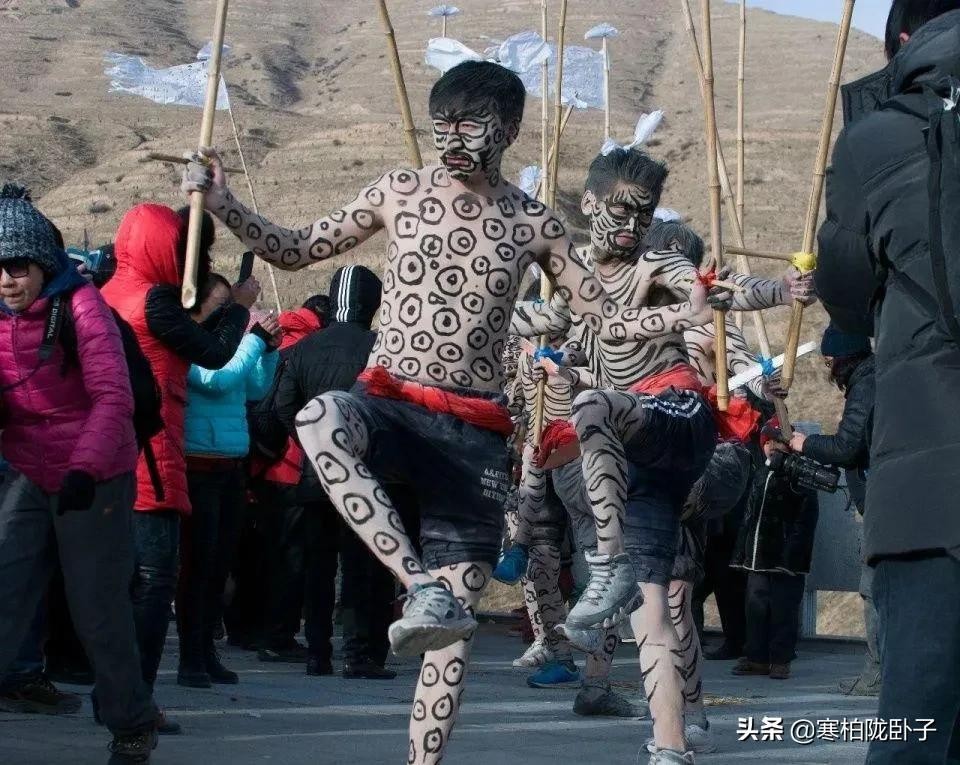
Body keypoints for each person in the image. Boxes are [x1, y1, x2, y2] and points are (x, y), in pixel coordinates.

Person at [184, 60, 719, 765]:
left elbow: (606, 319)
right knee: (318, 421)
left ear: (509, 130)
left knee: (451, 639)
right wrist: (223, 201)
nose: (453, 141)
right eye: (443, 126)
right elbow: (295, 248)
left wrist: (684, 314)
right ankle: (416, 585)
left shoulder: (534, 223)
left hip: (473, 436)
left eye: (471, 127)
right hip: (388, 401)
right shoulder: (399, 191)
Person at [509, 155, 801, 764]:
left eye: (642, 217)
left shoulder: (659, 265)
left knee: (667, 586)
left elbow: (718, 295)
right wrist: (514, 320)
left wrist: (779, 291)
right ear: (590, 205)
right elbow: (545, 325)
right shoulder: (575, 276)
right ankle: (669, 741)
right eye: (621, 213)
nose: (630, 227)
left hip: (674, 421)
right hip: (617, 455)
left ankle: (612, 577)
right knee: (656, 603)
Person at [815, 3, 960, 761]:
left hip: (928, 491)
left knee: (915, 724)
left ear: (902, 42)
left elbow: (843, 293)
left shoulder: (877, 136)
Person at [0, 183, 158, 763]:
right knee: (5, 593)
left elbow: (113, 397)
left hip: (95, 472)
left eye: (17, 266)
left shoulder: (82, 306)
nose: (6, 280)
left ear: (43, 263)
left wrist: (85, 469)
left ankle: (131, 723)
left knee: (97, 609)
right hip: (24, 468)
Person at [101, 203, 256, 732]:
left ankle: (112, 693)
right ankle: (133, 701)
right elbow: (214, 354)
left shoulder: (108, 293)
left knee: (121, 582)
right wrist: (238, 310)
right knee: (153, 580)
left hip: (114, 452)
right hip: (152, 452)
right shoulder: (153, 301)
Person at [273, 265, 400, 679]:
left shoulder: (304, 348)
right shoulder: (382, 348)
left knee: (319, 566)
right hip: (367, 472)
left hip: (316, 473)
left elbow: (282, 405)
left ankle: (318, 652)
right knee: (365, 565)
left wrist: (313, 440)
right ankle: (360, 652)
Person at [177, 289, 282, 688]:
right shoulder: (187, 342)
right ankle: (190, 656)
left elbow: (254, 389)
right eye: (222, 304)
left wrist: (268, 351)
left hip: (231, 466)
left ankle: (206, 650)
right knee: (198, 566)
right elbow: (218, 380)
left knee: (220, 565)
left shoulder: (230, 346)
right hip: (198, 465)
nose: (230, 312)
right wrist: (254, 341)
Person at [788, 325, 876, 695]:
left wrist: (805, 443)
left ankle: (878, 675)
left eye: (829, 362)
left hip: (883, 505)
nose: (829, 371)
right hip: (891, 499)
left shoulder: (867, 386)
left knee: (874, 590)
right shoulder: (876, 377)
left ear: (841, 359)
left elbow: (847, 447)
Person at [730, 417, 819, 680]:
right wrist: (741, 552)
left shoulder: (799, 475)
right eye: (768, 442)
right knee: (755, 608)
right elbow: (749, 516)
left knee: (784, 610)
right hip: (756, 558)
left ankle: (781, 659)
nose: (772, 447)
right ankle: (756, 657)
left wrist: (793, 555)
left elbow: (806, 520)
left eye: (778, 442)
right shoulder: (761, 473)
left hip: (786, 559)